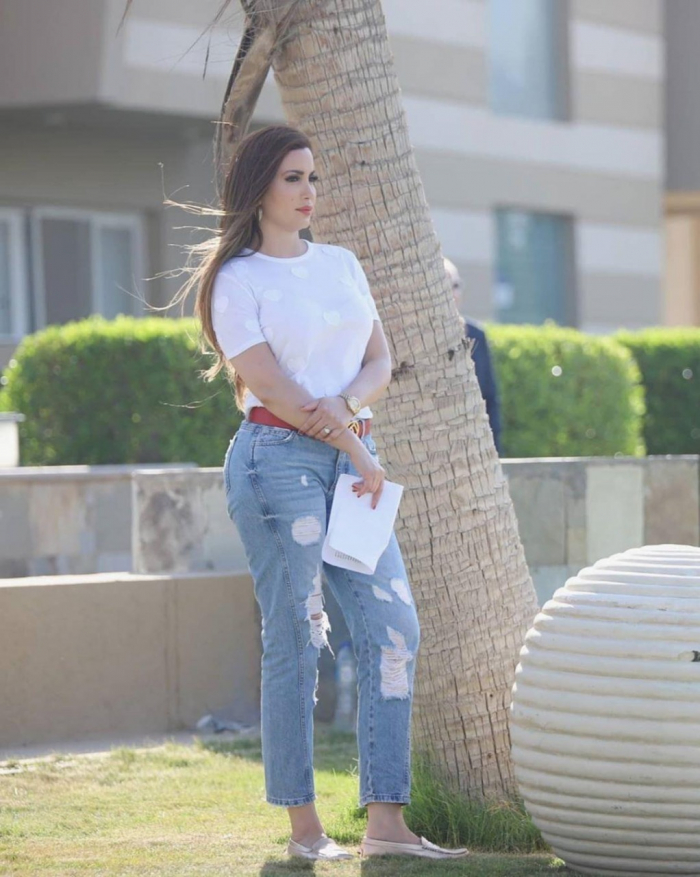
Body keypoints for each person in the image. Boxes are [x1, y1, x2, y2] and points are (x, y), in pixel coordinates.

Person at [186, 125, 469, 862]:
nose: (309, 191)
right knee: (297, 637)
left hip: (351, 459)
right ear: (258, 188)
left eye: (312, 177)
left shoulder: (341, 263)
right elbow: (275, 387)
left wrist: (349, 419)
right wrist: (355, 446)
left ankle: (387, 826)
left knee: (394, 629)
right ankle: (305, 829)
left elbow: (379, 359)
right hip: (277, 462)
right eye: (292, 178)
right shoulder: (236, 279)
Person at [444, 257, 502, 453]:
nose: (452, 293)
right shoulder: (419, 340)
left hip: (476, 446)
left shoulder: (477, 334)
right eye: (445, 285)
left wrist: (494, 450)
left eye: (456, 285)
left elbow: (490, 397)